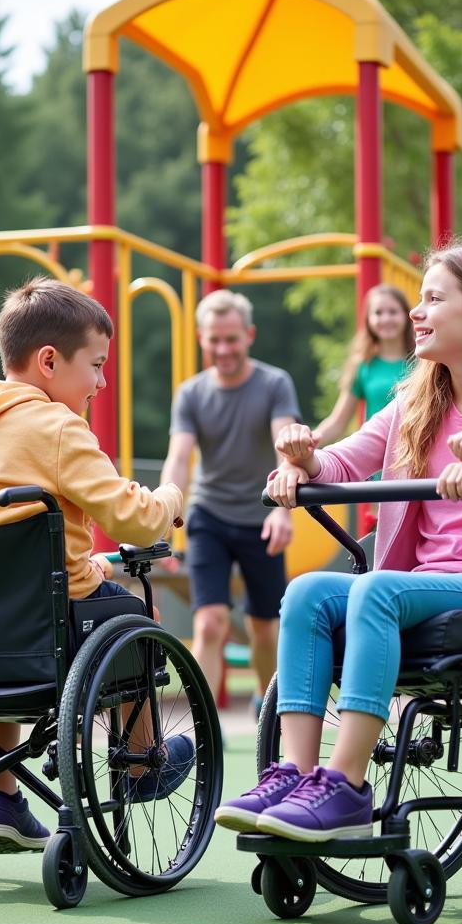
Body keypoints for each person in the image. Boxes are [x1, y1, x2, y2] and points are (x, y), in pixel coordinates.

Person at [214, 243, 462, 841]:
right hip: (420, 584)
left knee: (374, 590)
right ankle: (293, 773)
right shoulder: (418, 402)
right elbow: (342, 463)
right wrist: (301, 463)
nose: (417, 313)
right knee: (306, 593)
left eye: (433, 299)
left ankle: (344, 786)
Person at [0, 276, 187, 853]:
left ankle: (2, 795)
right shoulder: (58, 427)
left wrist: (88, 566)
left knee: (22, 604)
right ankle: (141, 764)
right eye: (96, 364)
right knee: (137, 615)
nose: (102, 382)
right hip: (43, 622)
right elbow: (134, 519)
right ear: (48, 361)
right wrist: (170, 500)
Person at [160, 289, 301, 713]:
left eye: (231, 339)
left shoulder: (274, 384)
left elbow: (286, 447)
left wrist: (282, 510)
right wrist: (165, 512)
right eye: (214, 340)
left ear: (249, 335)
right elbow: (180, 457)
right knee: (210, 623)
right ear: (203, 339)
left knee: (263, 628)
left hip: (261, 514)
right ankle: (202, 727)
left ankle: (269, 707)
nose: (223, 349)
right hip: (209, 516)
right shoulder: (191, 393)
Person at [314, 284, 414, 446]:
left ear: (406, 315)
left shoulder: (424, 361)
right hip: (376, 460)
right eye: (378, 313)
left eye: (393, 312)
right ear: (368, 319)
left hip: (417, 457)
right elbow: (338, 422)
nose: (386, 319)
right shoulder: (363, 365)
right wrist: (307, 443)